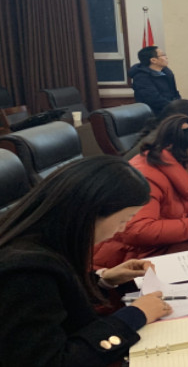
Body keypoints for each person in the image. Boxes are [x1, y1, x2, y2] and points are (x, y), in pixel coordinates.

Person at [0, 156, 173, 365]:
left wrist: (103, 280)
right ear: (89, 213)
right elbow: (50, 361)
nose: (122, 228)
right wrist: (134, 315)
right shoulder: (26, 272)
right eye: (124, 219)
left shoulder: (40, 238)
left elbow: (55, 298)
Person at [93, 116, 188, 268]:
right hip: (123, 262)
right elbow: (138, 231)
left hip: (150, 251)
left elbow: (164, 206)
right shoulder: (146, 176)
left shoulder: (173, 163)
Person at [129, 46, 181, 115]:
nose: (166, 57)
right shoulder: (141, 77)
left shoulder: (167, 72)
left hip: (171, 111)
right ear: (153, 60)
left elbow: (175, 93)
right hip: (155, 114)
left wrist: (180, 105)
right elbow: (154, 100)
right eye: (163, 55)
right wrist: (175, 108)